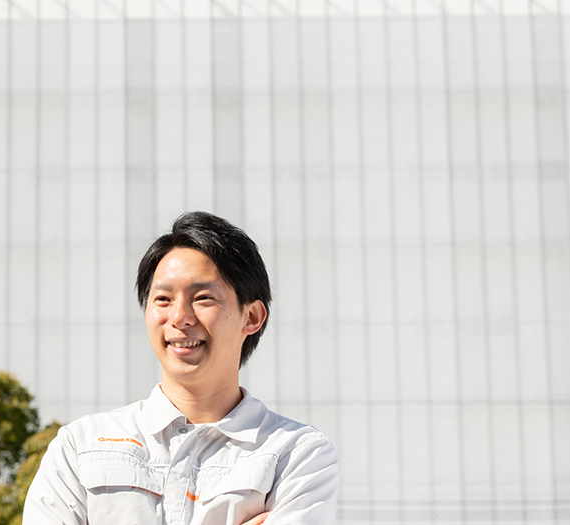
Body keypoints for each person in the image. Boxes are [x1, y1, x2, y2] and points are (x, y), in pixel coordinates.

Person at [22, 211, 340, 525]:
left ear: (252, 317)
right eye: (163, 299)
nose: (179, 318)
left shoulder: (297, 454)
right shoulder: (80, 445)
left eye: (203, 298)